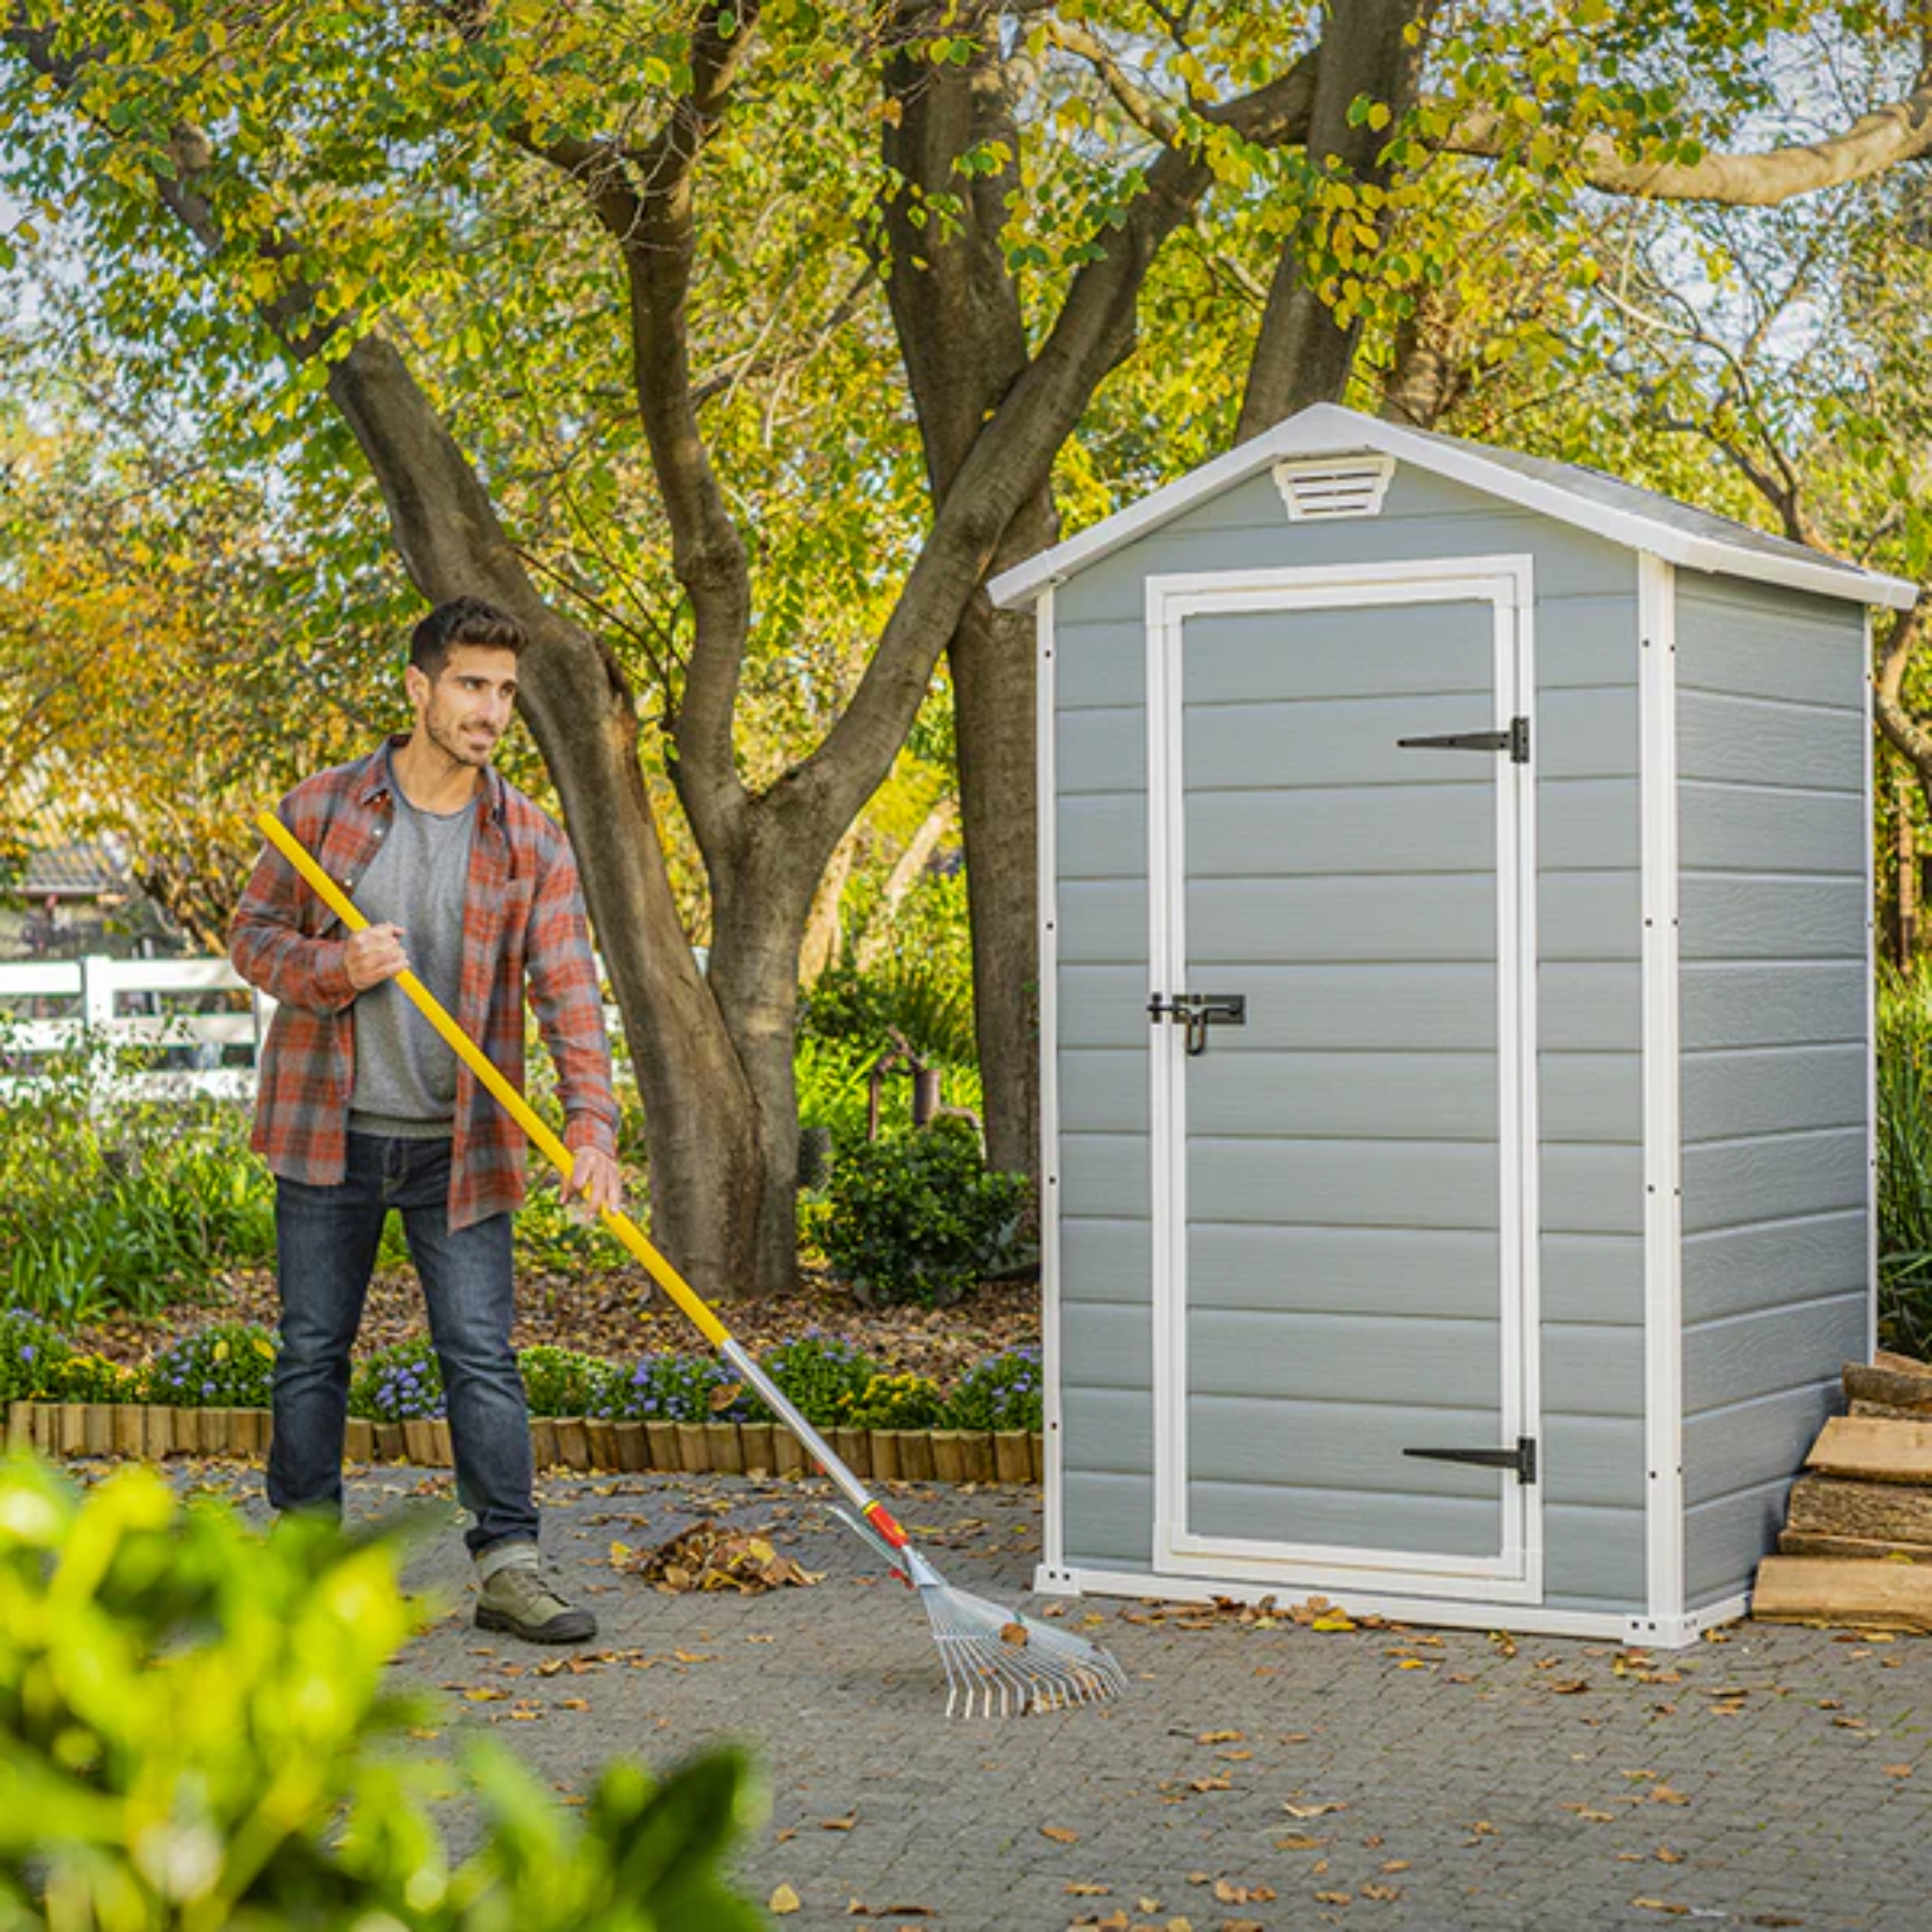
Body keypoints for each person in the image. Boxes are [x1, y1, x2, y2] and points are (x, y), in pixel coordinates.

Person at [230, 595, 624, 1644]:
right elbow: (251, 935)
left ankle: (507, 1564)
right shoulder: (321, 810)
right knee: (312, 1350)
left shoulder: (527, 837)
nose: (491, 709)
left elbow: (569, 993)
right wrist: (331, 967)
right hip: (329, 1132)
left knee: (481, 1355)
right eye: (470, 685)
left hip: (462, 1146)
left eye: (503, 689)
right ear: (419, 687)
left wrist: (592, 1130)